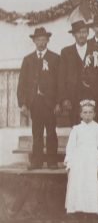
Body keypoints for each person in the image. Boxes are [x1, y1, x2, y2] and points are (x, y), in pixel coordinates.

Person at [17, 27, 60, 169]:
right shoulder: (28, 60)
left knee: (51, 132)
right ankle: (36, 161)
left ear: (48, 40)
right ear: (34, 41)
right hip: (35, 102)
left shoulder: (55, 58)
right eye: (38, 40)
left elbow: (60, 82)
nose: (41, 43)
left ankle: (52, 161)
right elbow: (22, 83)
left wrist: (58, 102)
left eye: (43, 39)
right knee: (37, 132)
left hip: (50, 102)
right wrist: (23, 103)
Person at [64, 99, 98, 223]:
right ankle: (81, 222)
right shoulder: (76, 130)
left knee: (92, 190)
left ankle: (91, 222)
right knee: (79, 190)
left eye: (90, 112)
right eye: (85, 112)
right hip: (79, 164)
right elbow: (70, 149)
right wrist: (69, 165)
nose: (88, 115)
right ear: (80, 114)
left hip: (92, 163)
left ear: (95, 114)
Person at [59, 20, 98, 124]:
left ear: (88, 33)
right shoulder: (66, 52)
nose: (81, 35)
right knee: (75, 125)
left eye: (84, 32)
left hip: (92, 95)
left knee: (92, 124)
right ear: (74, 35)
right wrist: (64, 98)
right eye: (78, 32)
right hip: (73, 96)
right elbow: (61, 77)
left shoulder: (96, 49)